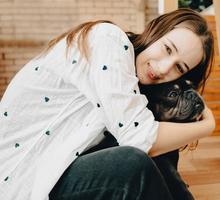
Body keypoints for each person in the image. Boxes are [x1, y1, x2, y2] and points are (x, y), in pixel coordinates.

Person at [0, 8, 215, 200]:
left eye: (179, 68)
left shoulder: (134, 87)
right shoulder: (110, 40)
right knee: (133, 162)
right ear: (156, 30)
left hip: (53, 169)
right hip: (18, 179)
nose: (163, 68)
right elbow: (140, 138)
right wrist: (206, 127)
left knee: (156, 147)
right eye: (168, 49)